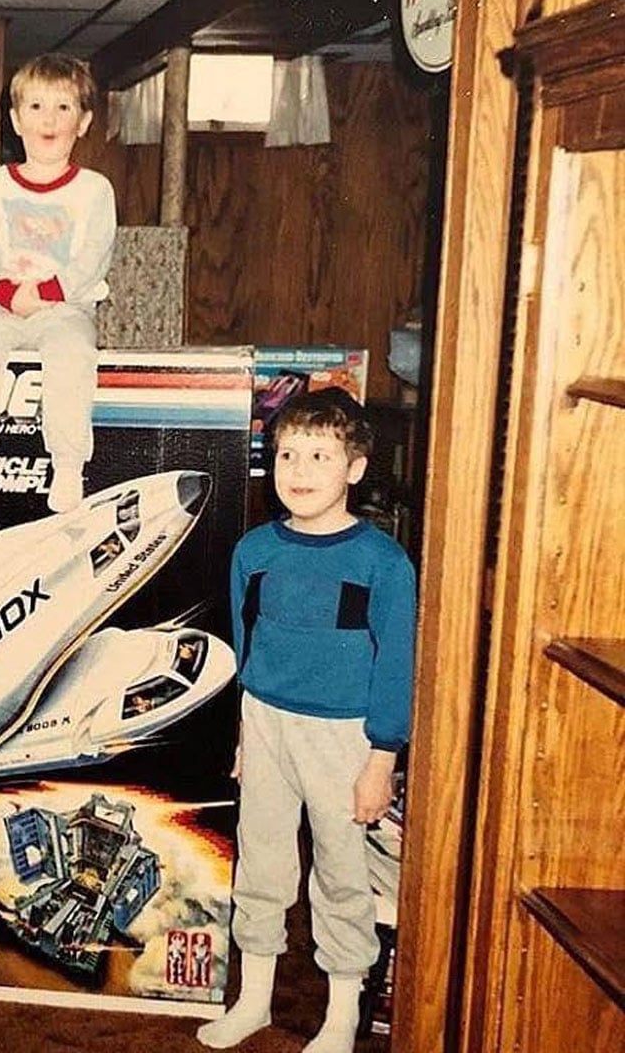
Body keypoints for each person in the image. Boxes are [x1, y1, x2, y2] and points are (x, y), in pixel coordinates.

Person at [198, 388, 416, 1053]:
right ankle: (255, 998)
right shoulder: (254, 551)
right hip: (266, 724)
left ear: (354, 467)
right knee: (259, 865)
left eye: (320, 455)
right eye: (287, 453)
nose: (298, 469)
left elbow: (397, 667)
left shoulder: (383, 562)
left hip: (342, 738)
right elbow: (246, 643)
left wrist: (382, 757)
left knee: (341, 872)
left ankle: (342, 1013)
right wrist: (243, 733)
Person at [0, 54, 116, 514]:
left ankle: (66, 463)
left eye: (64, 109)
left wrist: (46, 294)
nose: (49, 120)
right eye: (37, 107)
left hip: (66, 306)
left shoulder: (94, 190)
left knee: (72, 354)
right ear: (16, 119)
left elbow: (93, 256)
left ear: (82, 123)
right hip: (3, 303)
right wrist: (6, 292)